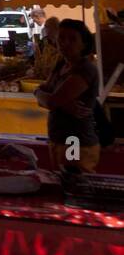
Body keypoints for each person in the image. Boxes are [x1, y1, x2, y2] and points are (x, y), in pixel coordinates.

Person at [37, 19, 103, 173]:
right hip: (59, 138)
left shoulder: (85, 69)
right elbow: (43, 92)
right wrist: (42, 94)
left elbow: (51, 101)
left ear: (84, 44)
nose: (65, 43)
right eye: (61, 38)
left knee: (73, 184)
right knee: (63, 181)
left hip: (74, 140)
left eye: (72, 39)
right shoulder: (61, 64)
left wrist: (48, 98)